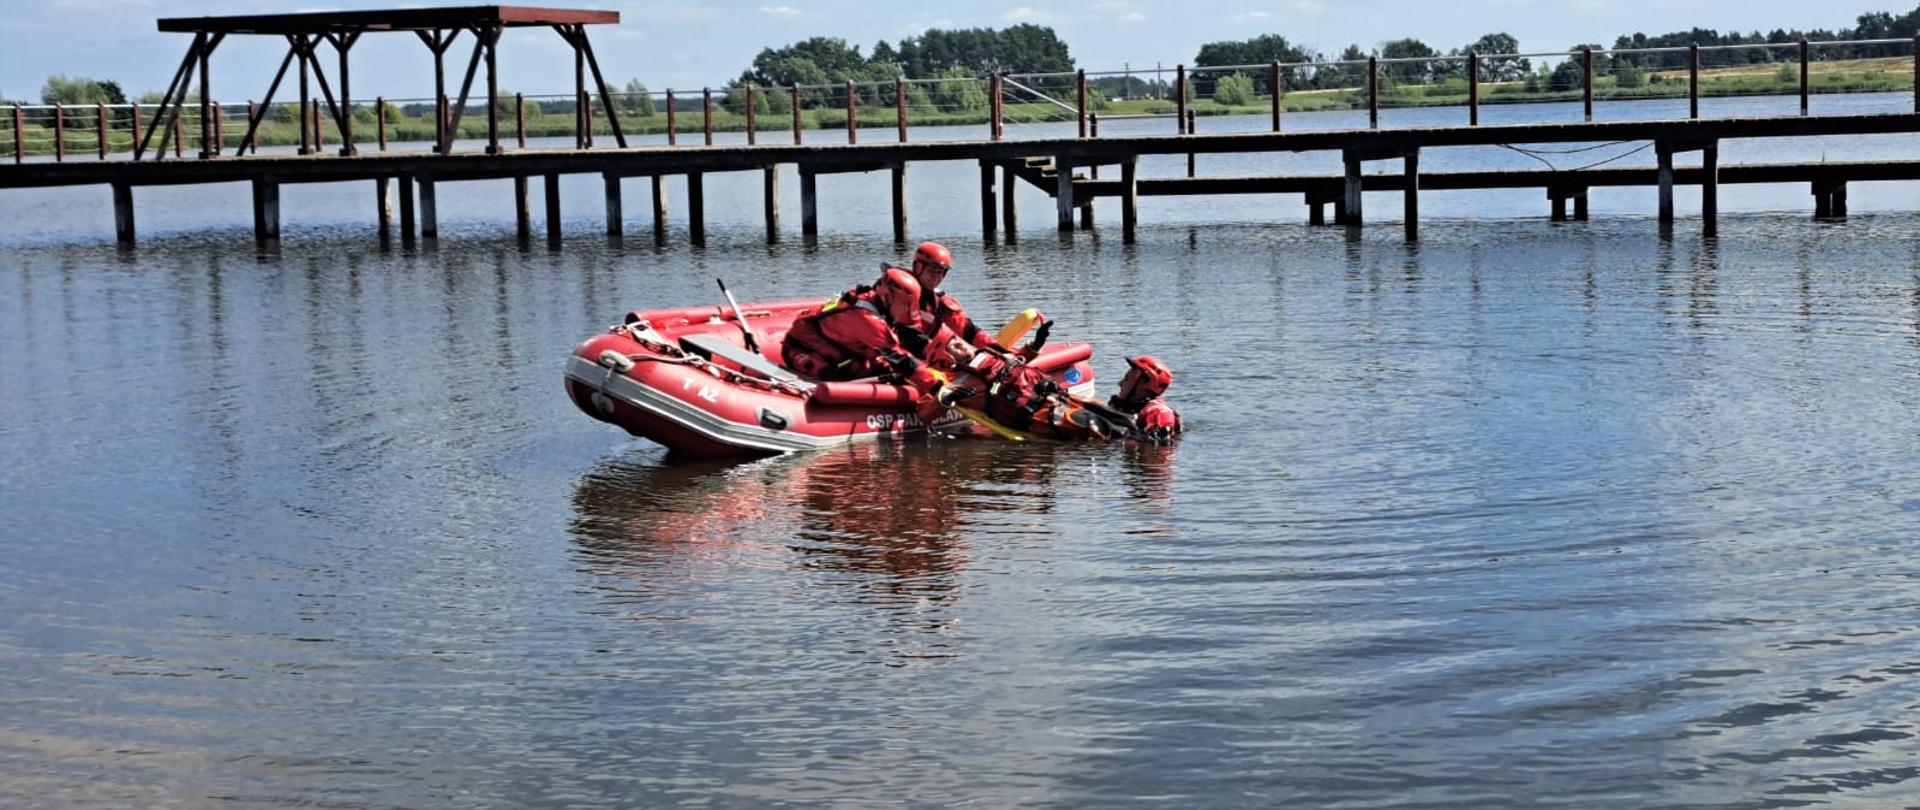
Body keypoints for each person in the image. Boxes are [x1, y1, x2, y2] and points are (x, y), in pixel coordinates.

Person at [926, 351, 1182, 444]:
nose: (1121, 380)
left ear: (1142, 382)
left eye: (1128, 376)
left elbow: (1155, 450)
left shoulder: (1159, 413)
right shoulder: (1123, 411)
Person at [780, 267, 942, 393]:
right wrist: (936, 387)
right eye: (905, 306)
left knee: (883, 368)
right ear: (889, 297)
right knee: (837, 378)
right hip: (805, 351)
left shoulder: (870, 299)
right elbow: (901, 359)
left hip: (840, 349)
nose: (905, 311)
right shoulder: (867, 319)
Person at [893, 242, 1008, 365]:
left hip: (929, 358)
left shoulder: (938, 302)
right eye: (933, 271)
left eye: (941, 272)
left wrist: (1000, 351)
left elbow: (967, 329)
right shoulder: (894, 294)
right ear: (918, 267)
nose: (937, 277)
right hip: (900, 360)